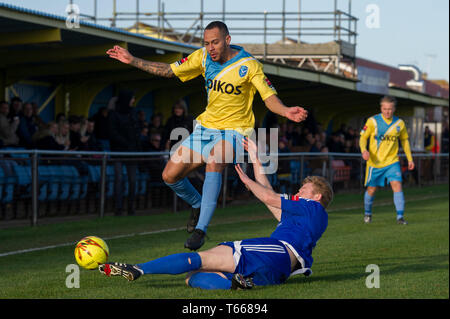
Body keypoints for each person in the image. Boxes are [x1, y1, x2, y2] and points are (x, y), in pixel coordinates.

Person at [106, 21, 308, 250]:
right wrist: (132, 60)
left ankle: (201, 229)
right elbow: (169, 70)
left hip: (235, 131)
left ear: (227, 40)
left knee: (215, 158)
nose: (210, 47)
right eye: (206, 43)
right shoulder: (202, 57)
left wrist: (285, 110)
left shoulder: (249, 65)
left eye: (215, 42)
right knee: (169, 176)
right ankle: (198, 204)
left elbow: (268, 97)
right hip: (205, 129)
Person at [98, 137, 332, 290]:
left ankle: (139, 268)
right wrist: (255, 159)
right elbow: (269, 193)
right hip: (275, 267)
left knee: (207, 256)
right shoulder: (300, 217)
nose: (300, 190)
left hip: (279, 252)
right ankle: (238, 282)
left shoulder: (313, 208)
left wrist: (248, 181)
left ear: (317, 196)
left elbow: (269, 197)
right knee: (192, 276)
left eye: (305, 189)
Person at [359, 96, 414, 225]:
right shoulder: (372, 121)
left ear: (394, 109)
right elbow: (363, 138)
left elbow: (405, 141)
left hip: (392, 161)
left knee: (397, 185)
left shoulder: (399, 123)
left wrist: (410, 159)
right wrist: (364, 150)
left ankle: (400, 217)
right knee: (371, 189)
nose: (387, 112)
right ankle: (367, 213)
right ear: (381, 108)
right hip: (375, 163)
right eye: (384, 109)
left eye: (390, 109)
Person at [107, 90, 141, 216]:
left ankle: (131, 207)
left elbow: (136, 130)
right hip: (119, 152)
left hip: (132, 153)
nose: (133, 101)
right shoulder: (113, 114)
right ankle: (118, 208)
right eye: (132, 98)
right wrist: (126, 143)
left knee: (132, 180)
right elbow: (112, 133)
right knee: (119, 179)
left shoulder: (133, 113)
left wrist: (136, 146)